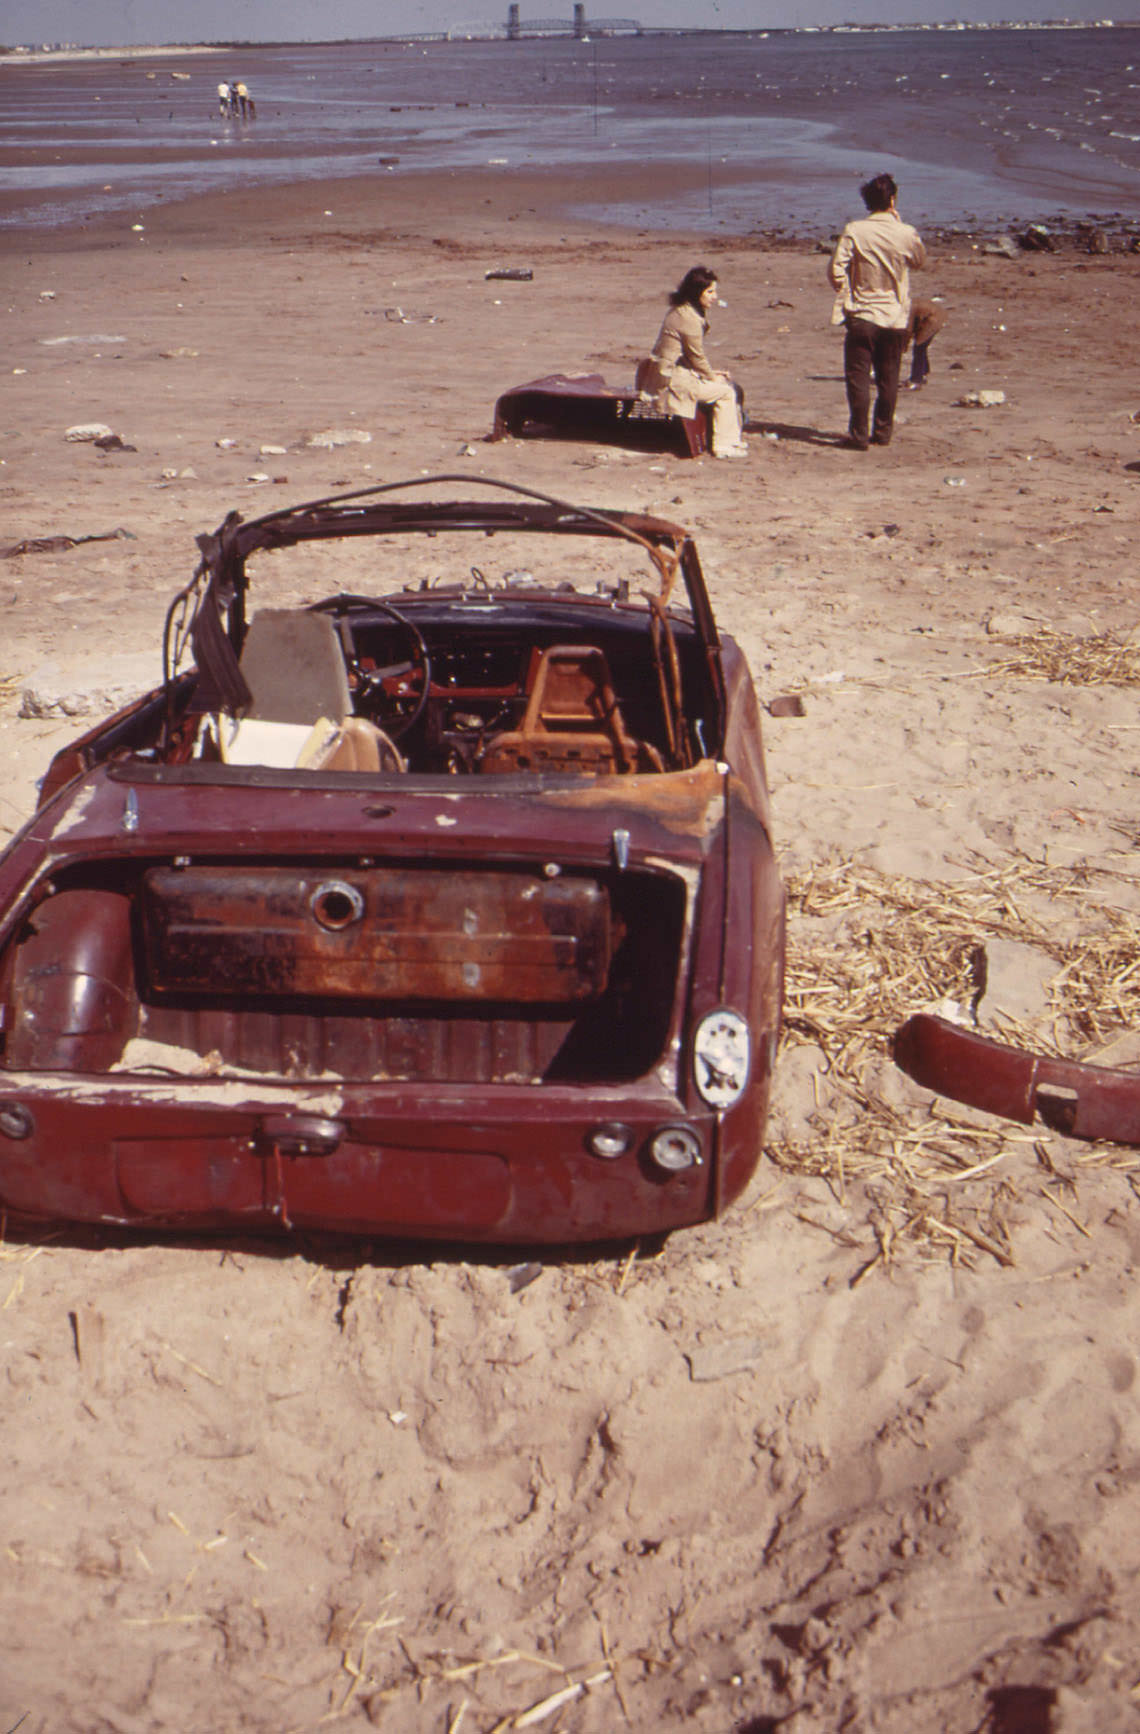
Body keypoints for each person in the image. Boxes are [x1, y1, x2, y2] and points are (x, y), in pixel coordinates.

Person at [828, 173, 926, 449]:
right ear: (892, 200)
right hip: (894, 315)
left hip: (863, 312)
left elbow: (836, 269)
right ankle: (882, 432)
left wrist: (846, 294)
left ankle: (859, 434)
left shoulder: (855, 230)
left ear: (867, 202)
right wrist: (898, 222)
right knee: (889, 376)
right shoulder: (905, 232)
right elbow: (919, 261)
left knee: (858, 376)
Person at [637, 265, 747, 459]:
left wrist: (711, 374)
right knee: (726, 392)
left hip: (668, 373)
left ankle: (729, 437)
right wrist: (713, 377)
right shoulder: (688, 318)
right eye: (710, 292)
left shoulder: (682, 311)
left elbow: (690, 357)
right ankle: (725, 445)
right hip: (670, 381)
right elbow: (696, 356)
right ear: (697, 293)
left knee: (721, 384)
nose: (714, 297)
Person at [906, 296, 946, 389]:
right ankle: (924, 372)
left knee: (919, 348)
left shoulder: (909, 308)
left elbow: (908, 329)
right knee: (922, 347)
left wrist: (904, 345)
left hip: (933, 320)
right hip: (937, 316)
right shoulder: (910, 304)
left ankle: (916, 380)